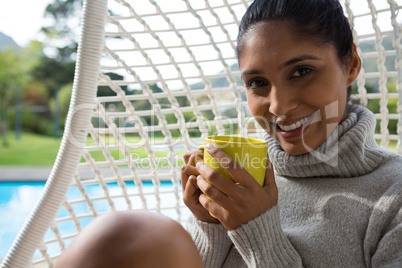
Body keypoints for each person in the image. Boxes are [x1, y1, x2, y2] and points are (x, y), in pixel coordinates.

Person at [55, 0, 402, 267]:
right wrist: (212, 225)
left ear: (352, 64)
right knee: (124, 233)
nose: (278, 106)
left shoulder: (393, 195)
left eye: (301, 71)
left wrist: (258, 230)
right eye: (258, 83)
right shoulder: (244, 175)